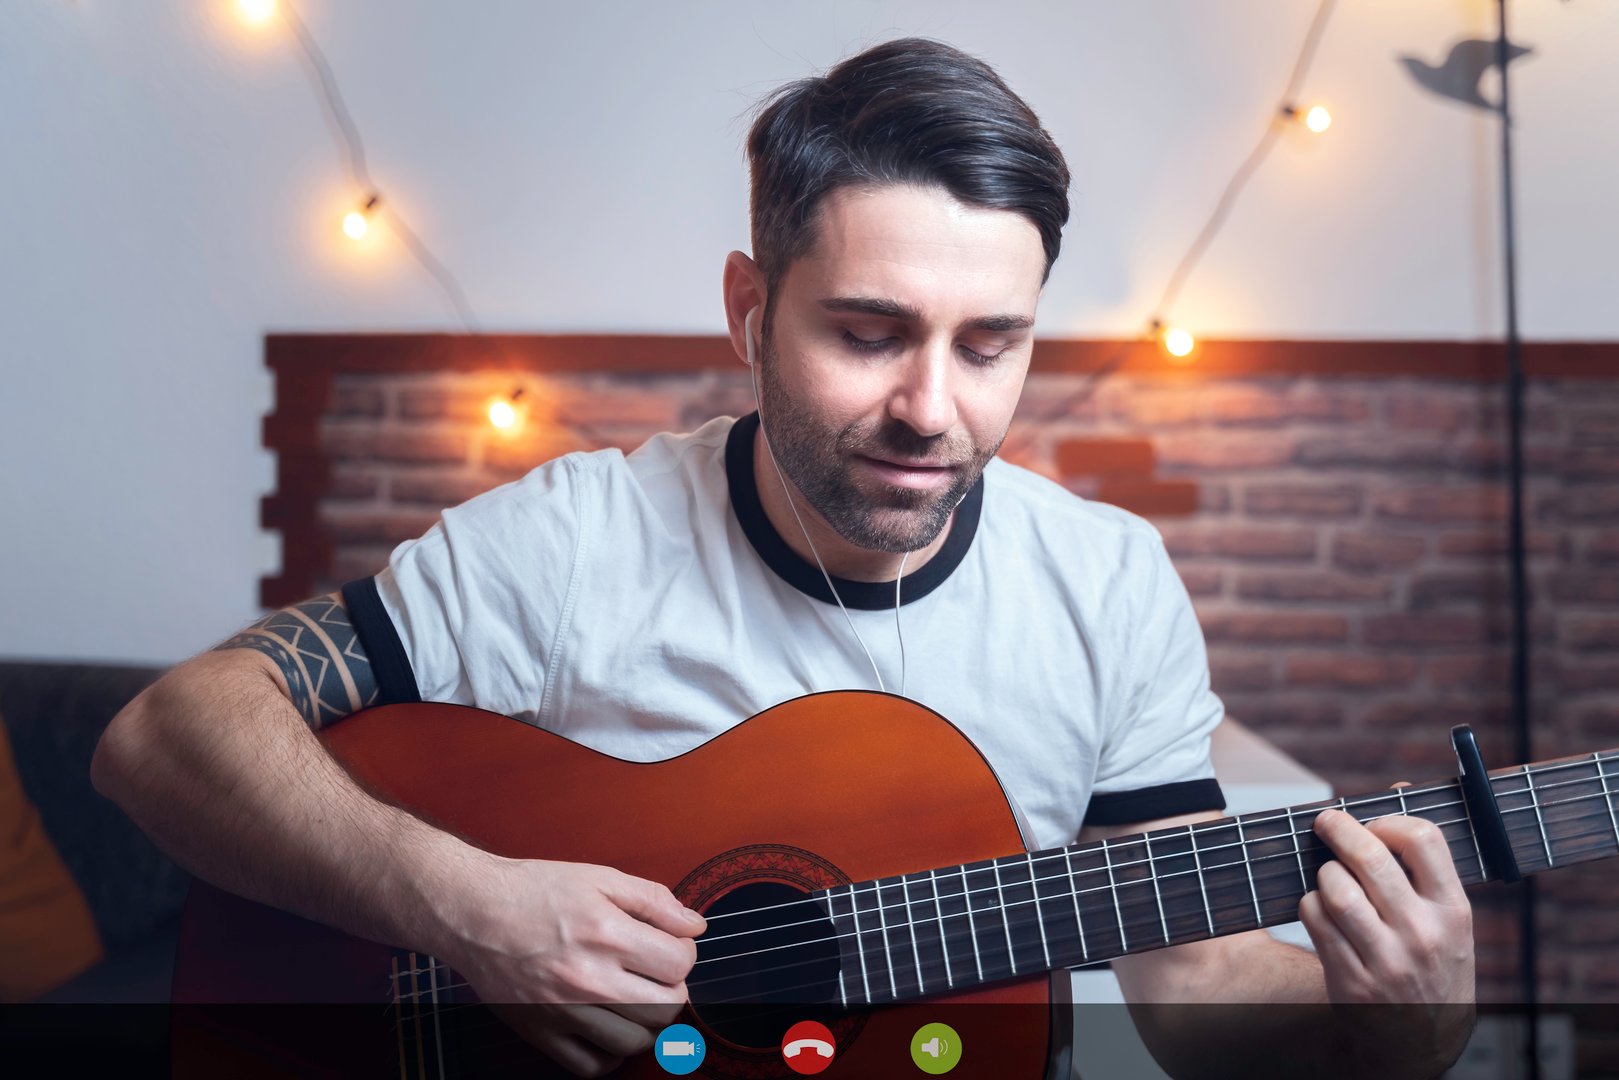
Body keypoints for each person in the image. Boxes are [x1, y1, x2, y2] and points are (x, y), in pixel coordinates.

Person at [93, 37, 1475, 1079]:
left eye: (992, 345)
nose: (934, 407)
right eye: (870, 332)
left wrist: (1393, 1028)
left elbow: (1191, 979)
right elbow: (163, 739)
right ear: (749, 311)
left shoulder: (1108, 584)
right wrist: (464, 906)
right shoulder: (577, 539)